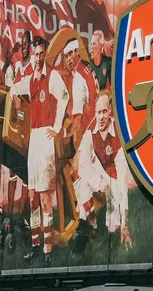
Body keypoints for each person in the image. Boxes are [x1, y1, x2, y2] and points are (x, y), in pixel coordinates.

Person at [8, 38, 69, 263]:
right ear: (32, 55)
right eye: (35, 54)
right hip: (33, 139)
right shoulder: (30, 79)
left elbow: (64, 97)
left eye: (41, 53)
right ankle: (35, 246)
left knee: (45, 197)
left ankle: (47, 250)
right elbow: (14, 88)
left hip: (45, 137)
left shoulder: (51, 76)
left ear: (45, 55)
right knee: (33, 196)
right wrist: (15, 100)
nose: (38, 57)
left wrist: (56, 127)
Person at [73, 92, 131, 247]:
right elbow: (83, 166)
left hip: (115, 175)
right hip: (99, 171)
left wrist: (125, 226)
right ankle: (92, 225)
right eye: (98, 112)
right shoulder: (90, 132)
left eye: (104, 112)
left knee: (113, 227)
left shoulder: (119, 133)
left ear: (110, 110)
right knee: (80, 186)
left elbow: (122, 185)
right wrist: (98, 181)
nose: (101, 117)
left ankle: (117, 229)